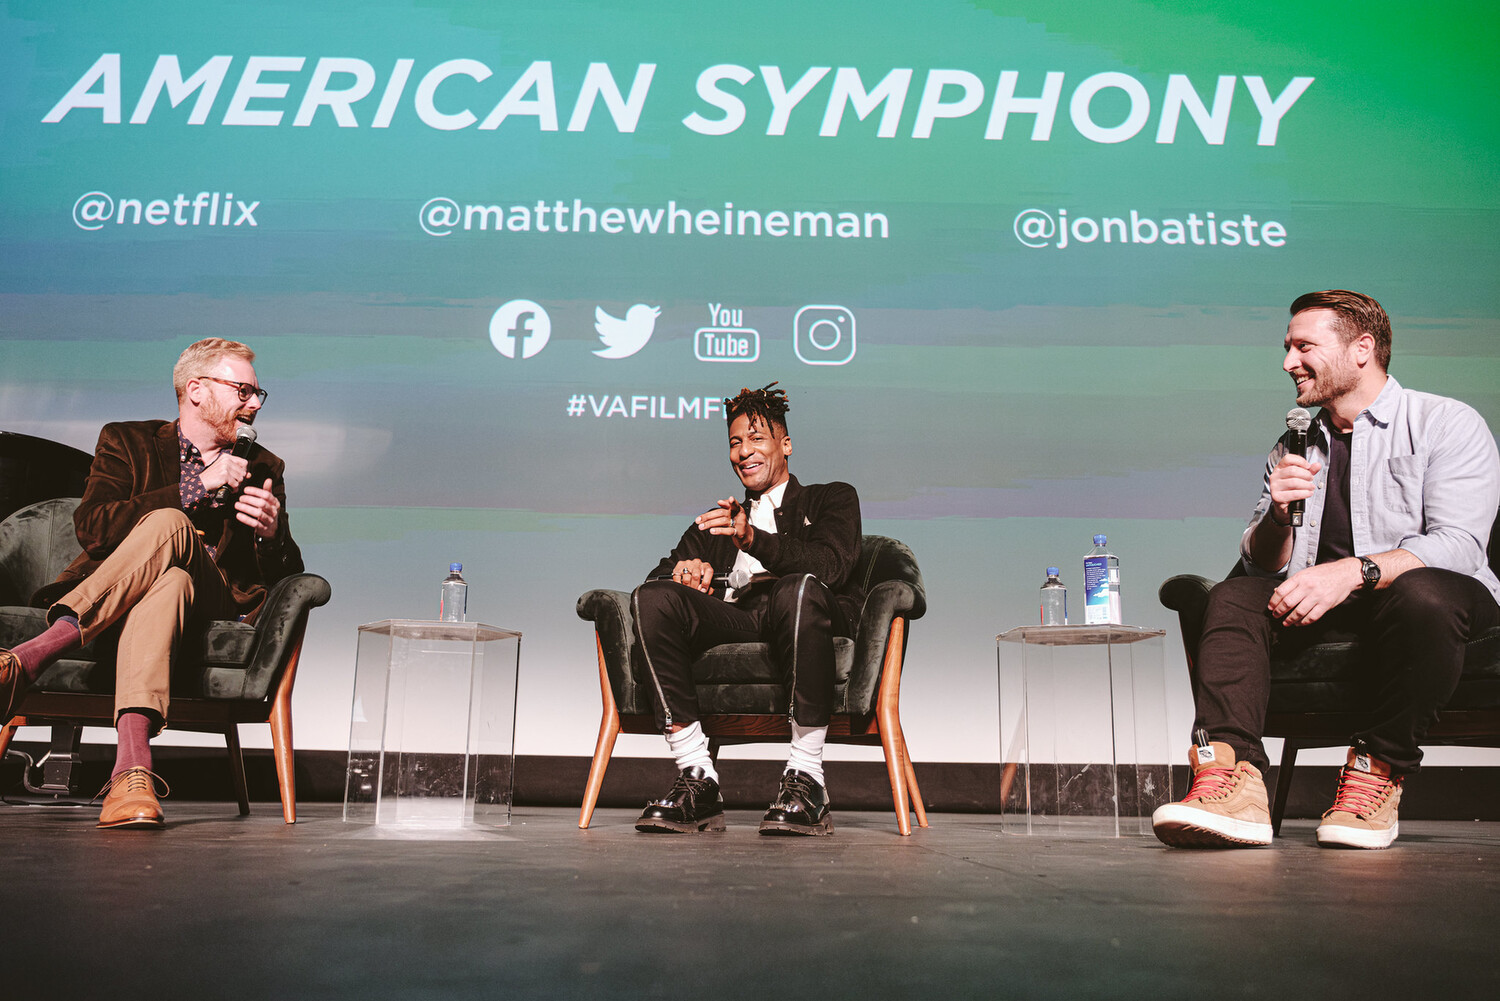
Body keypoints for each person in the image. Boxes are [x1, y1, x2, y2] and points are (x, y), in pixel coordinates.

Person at [1153, 290, 1500, 850]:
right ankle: (1233, 781)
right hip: (1325, 609)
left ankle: (1377, 774)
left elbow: (1460, 547)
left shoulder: (1445, 423)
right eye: (1287, 348)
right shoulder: (1293, 445)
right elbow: (1261, 563)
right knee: (1235, 596)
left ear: (1362, 350)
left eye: (1303, 346)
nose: (1288, 362)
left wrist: (1351, 573)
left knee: (1424, 592)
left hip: (1436, 607)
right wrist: (1279, 518)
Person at [0, 338, 302, 829]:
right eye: (243, 390)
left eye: (257, 393)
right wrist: (196, 487)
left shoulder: (265, 465)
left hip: (216, 598)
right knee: (170, 581)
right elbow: (94, 527)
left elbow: (285, 573)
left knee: (171, 526)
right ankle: (132, 772)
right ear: (197, 390)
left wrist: (272, 534)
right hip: (147, 592)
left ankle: (30, 657)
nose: (253, 403)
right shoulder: (128, 440)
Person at [631, 383, 863, 835]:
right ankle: (698, 776)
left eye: (756, 438)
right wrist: (685, 576)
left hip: (802, 614)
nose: (744, 451)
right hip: (738, 621)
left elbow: (831, 567)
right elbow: (658, 578)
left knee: (794, 590)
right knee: (651, 599)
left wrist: (753, 538)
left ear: (786, 444)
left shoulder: (830, 498)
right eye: (735, 442)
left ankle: (807, 778)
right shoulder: (718, 521)